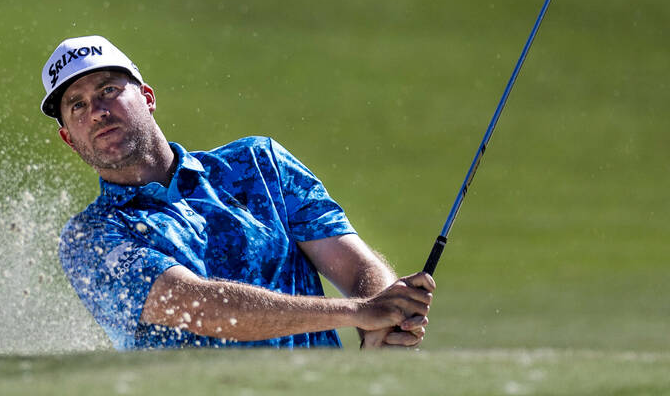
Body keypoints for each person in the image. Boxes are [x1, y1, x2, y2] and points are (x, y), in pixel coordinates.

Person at [41, 35, 434, 350]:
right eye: (77, 106)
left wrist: (382, 327)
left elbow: (357, 267)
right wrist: (359, 312)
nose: (97, 111)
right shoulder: (89, 238)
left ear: (147, 97)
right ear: (68, 139)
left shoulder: (259, 163)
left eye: (108, 89)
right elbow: (198, 306)